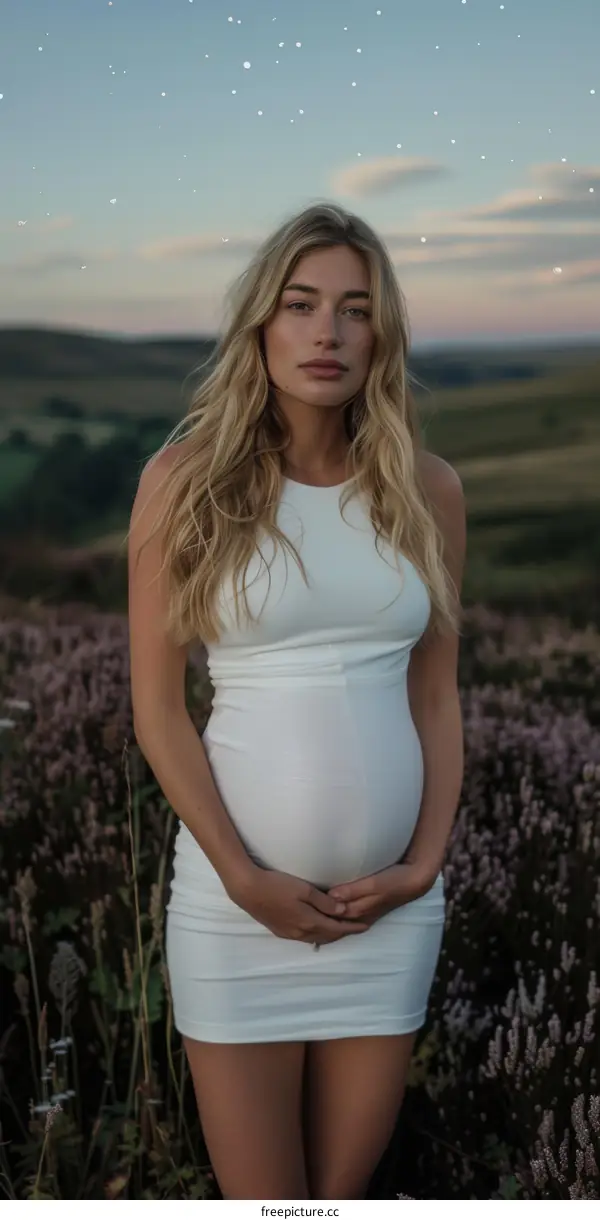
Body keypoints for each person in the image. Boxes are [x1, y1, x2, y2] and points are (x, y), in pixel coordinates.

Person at [127, 201, 466, 1201]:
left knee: (339, 1198)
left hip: (394, 913)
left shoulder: (428, 489)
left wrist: (424, 864)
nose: (328, 332)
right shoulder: (183, 481)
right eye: (303, 303)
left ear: (382, 333)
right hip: (237, 912)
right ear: (262, 323)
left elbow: (437, 696)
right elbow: (158, 706)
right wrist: (240, 875)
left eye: (355, 310)